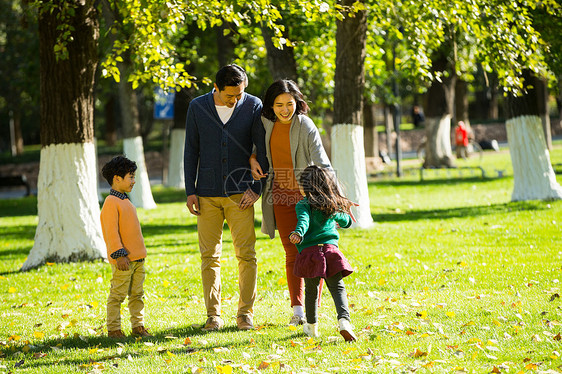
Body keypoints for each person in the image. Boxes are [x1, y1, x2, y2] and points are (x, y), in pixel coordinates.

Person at [184, 64, 267, 332]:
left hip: (241, 193)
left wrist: (257, 187)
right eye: (230, 95)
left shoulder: (253, 105)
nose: (236, 100)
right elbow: (190, 150)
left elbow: (261, 147)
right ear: (216, 88)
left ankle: (245, 313)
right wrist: (190, 190)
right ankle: (213, 315)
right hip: (206, 194)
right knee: (209, 256)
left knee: (246, 255)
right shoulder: (197, 107)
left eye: (240, 94)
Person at [250, 79, 332, 326]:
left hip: (307, 199)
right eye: (279, 105)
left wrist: (330, 195)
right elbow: (257, 147)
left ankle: (312, 310)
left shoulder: (304, 125)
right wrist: (253, 157)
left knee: (310, 252)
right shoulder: (266, 123)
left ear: (298, 102)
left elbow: (322, 161)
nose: (285, 110)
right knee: (291, 253)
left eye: (289, 104)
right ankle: (297, 311)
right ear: (271, 106)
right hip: (280, 197)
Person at [288, 165, 357, 342]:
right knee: (338, 287)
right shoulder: (332, 204)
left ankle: (311, 327)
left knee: (311, 290)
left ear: (305, 186)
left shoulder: (303, 204)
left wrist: (298, 233)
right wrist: (345, 210)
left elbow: (304, 220)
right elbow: (347, 221)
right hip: (330, 251)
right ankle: (344, 321)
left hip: (311, 254)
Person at [100, 155, 151, 339]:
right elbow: (111, 232)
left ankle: (138, 326)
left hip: (137, 260)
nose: (134, 181)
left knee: (137, 295)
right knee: (117, 296)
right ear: (117, 178)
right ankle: (114, 329)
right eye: (130, 177)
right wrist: (119, 255)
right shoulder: (111, 203)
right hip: (124, 261)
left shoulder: (125, 201)